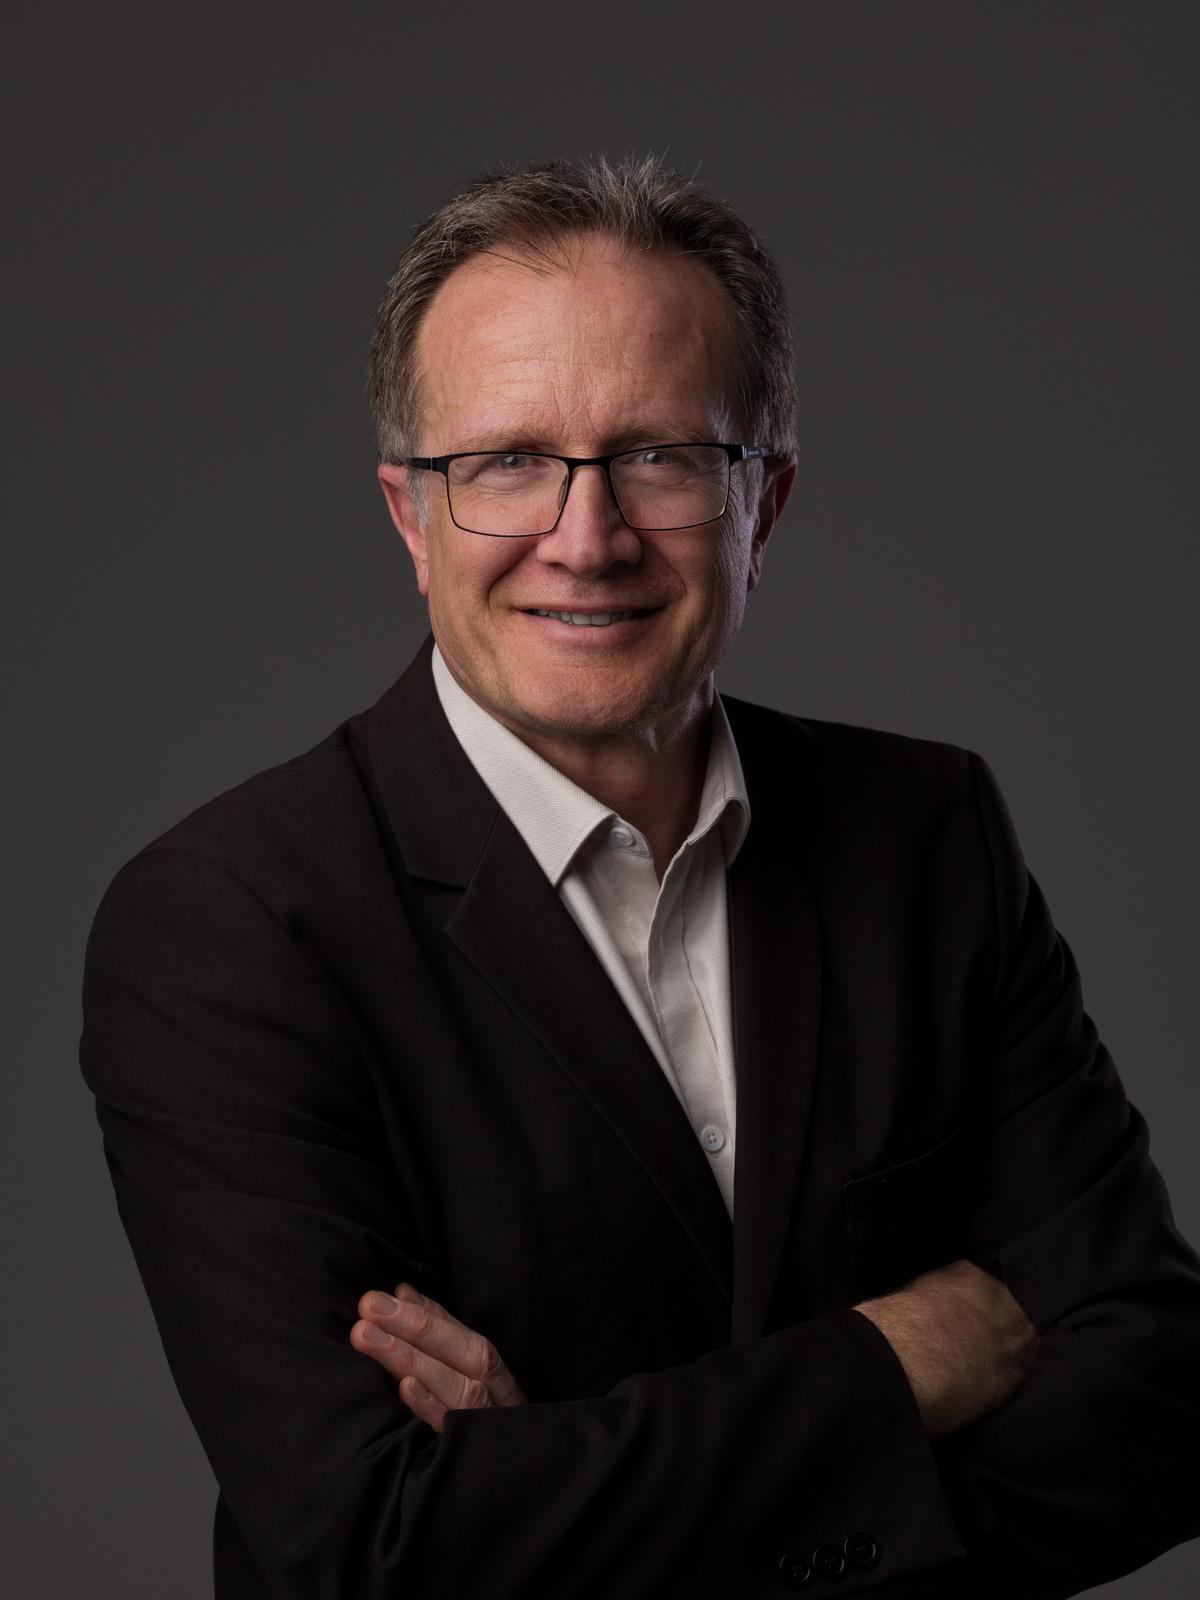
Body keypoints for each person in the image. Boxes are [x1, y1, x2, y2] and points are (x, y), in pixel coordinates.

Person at [79, 154, 1200, 1599]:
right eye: (505, 463)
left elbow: (1161, 1392)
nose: (586, 537)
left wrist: (560, 1487)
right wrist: (889, 1364)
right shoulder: (227, 928)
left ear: (763, 505)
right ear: (412, 518)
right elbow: (374, 1545)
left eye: (660, 456)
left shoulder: (926, 837)